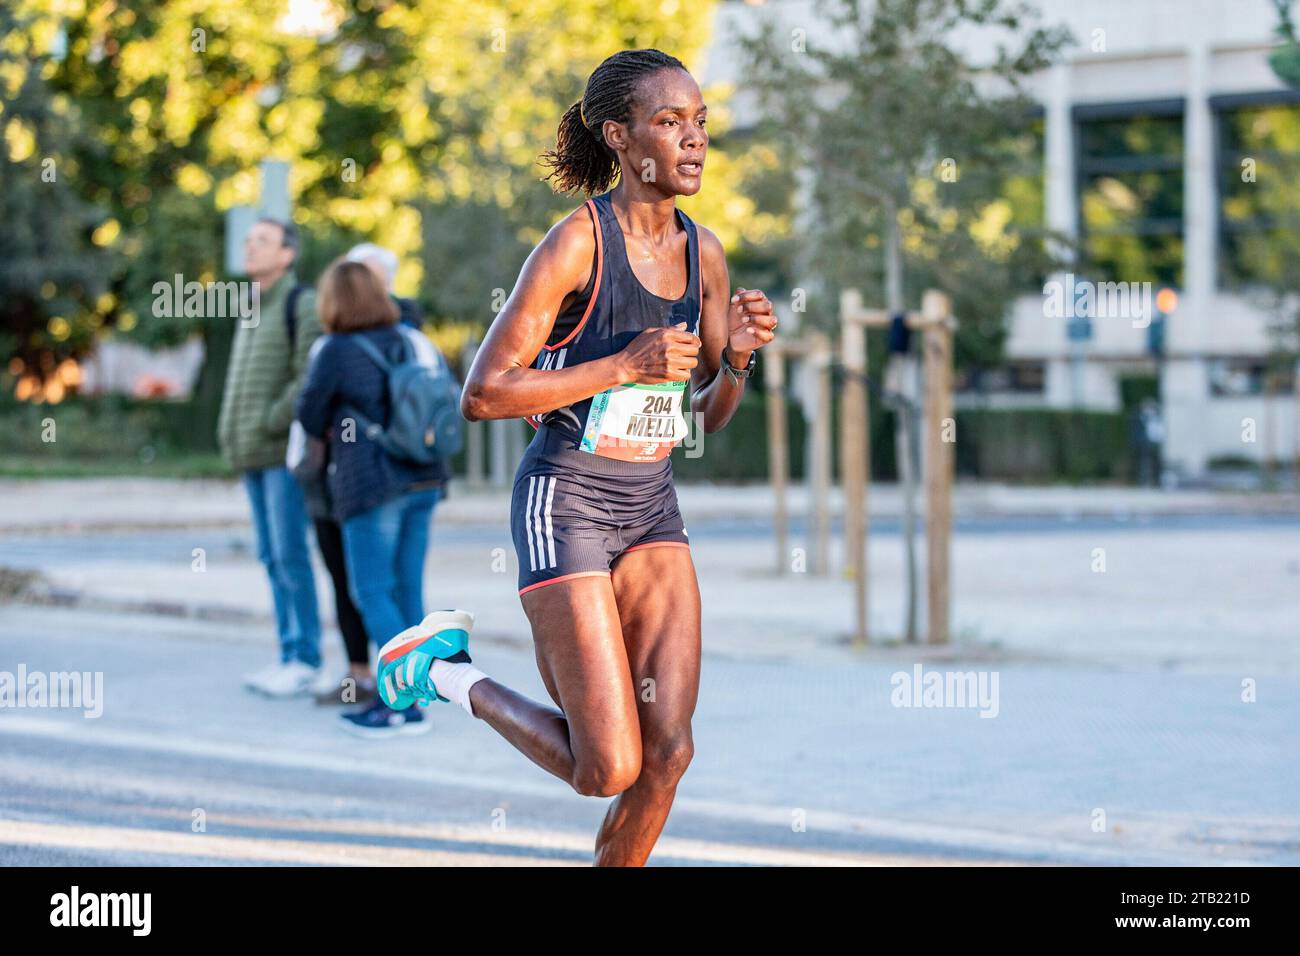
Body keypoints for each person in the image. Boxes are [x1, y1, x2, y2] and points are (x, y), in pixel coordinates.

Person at [373, 50, 778, 865]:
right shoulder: (575, 244)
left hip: (652, 505)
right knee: (608, 767)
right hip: (566, 501)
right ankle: (445, 672)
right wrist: (620, 366)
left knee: (669, 756)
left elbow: (702, 417)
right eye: (670, 122)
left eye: (699, 122)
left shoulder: (705, 253)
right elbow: (483, 393)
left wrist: (735, 359)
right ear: (620, 138)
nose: (693, 139)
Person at [295, 259, 450, 737]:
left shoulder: (336, 350)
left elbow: (308, 413)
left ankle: (398, 706)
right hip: (424, 478)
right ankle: (416, 704)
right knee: (407, 589)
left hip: (372, 483)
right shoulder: (409, 338)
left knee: (371, 592)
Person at [218, 217, 324, 697]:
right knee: (269, 555)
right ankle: (288, 653)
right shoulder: (251, 306)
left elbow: (309, 374)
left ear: (287, 255)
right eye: (248, 240)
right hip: (251, 454)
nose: (250, 248)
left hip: (282, 453)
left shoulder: (300, 304)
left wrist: (268, 420)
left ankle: (306, 658)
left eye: (262, 241)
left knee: (290, 554)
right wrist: (233, 431)